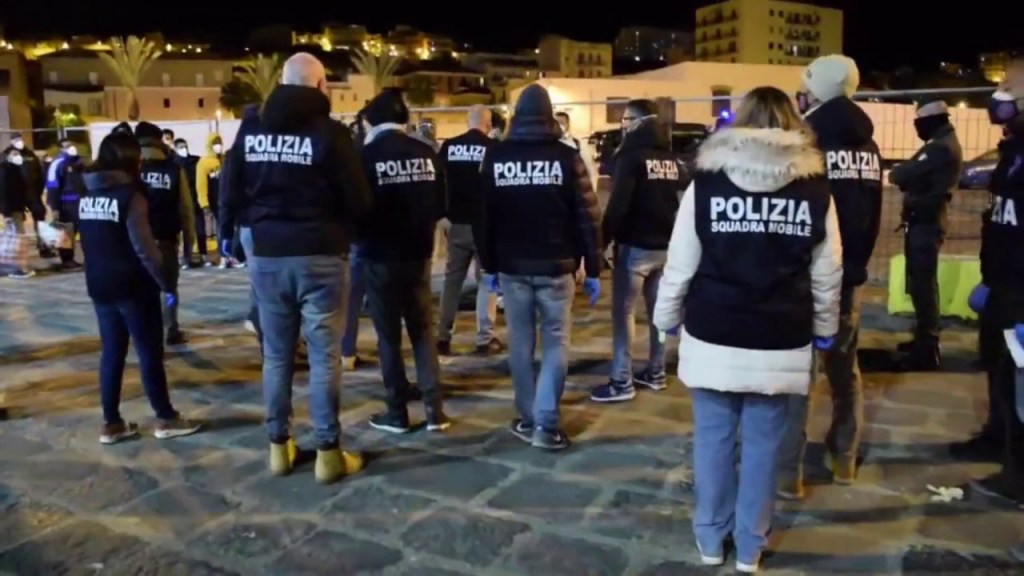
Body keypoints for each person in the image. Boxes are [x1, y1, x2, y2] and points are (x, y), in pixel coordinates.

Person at [652, 86, 842, 573]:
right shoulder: (815, 189)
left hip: (714, 327)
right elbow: (827, 270)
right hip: (781, 332)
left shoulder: (707, 184)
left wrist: (665, 317)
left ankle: (710, 538)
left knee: (712, 440)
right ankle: (751, 546)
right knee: (763, 446)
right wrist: (825, 326)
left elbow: (681, 261)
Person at [224, 52, 371, 483]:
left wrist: (235, 232)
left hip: (269, 252)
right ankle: (328, 452)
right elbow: (358, 200)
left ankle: (278, 446)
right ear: (321, 86)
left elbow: (231, 187)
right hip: (321, 253)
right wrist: (349, 232)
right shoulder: (331, 134)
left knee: (276, 356)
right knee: (324, 358)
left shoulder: (252, 129)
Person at [778, 54, 883, 498]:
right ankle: (844, 457)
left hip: (806, 277)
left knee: (797, 377)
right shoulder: (868, 145)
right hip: (850, 276)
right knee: (845, 371)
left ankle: (789, 472)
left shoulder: (807, 142)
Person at [477, 84, 603, 451]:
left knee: (520, 343)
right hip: (556, 266)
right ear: (549, 117)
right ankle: (546, 424)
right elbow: (588, 217)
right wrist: (593, 267)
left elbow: (483, 218)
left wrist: (489, 266)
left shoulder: (496, 157)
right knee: (556, 343)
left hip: (512, 267)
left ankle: (527, 416)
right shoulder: (567, 157)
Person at [78, 131, 201, 444]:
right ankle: (165, 417)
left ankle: (111, 423)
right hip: (134, 286)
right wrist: (165, 282)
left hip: (100, 285)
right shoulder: (130, 197)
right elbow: (144, 249)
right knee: (149, 353)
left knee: (112, 353)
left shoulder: (87, 194)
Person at [358, 89, 450, 434]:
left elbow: (356, 207)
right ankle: (435, 411)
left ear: (371, 121)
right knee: (423, 332)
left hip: (380, 255)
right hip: (419, 254)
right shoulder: (425, 153)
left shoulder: (366, 156)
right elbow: (441, 205)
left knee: (388, 337)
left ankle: (397, 412)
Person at [590, 99, 686, 403]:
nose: (623, 125)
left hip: (635, 247)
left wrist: (602, 242)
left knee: (624, 314)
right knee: (659, 314)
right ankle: (656, 371)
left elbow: (618, 205)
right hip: (666, 247)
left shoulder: (631, 158)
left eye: (627, 120)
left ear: (638, 122)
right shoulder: (670, 158)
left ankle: (621, 380)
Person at [954, 58, 1024, 463]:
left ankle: (1015, 459)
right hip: (1002, 282)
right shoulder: (1013, 150)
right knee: (998, 367)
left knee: (1016, 376)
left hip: (1019, 286)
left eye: (1009, 88)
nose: (998, 96)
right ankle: (999, 438)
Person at [888, 100, 963, 370]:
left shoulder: (939, 147)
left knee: (924, 285)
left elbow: (901, 174)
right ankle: (923, 339)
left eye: (919, 122)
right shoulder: (941, 142)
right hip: (924, 221)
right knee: (920, 283)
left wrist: (908, 179)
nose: (917, 128)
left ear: (931, 121)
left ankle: (927, 347)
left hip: (926, 222)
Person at [437, 104, 502, 357]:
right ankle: (485, 338)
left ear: (468, 121)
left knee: (452, 281)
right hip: (485, 225)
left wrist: (442, 215)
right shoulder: (494, 148)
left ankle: (443, 336)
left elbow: (438, 181)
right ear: (488, 124)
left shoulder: (449, 146)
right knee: (487, 279)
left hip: (456, 224)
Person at [134, 122, 196, 346]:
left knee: (140, 288)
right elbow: (186, 210)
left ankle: (143, 330)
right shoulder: (174, 169)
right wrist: (189, 246)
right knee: (168, 288)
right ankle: (171, 328)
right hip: (166, 240)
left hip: (136, 241)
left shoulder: (131, 169)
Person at [341, 109, 368, 370]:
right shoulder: (372, 152)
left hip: (351, 236)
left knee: (351, 297)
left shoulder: (347, 154)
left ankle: (346, 351)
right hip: (372, 236)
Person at [3, 133, 50, 258]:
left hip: (32, 192)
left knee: (40, 216)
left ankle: (44, 246)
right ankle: (17, 253)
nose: (19, 141)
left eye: (20, 138)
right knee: (17, 222)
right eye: (16, 139)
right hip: (16, 194)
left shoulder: (30, 154)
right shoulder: (5, 155)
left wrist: (38, 191)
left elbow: (39, 174)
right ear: (11, 141)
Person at [45, 138, 87, 270]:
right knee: (66, 232)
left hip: (82, 202)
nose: (71, 147)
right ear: (61, 149)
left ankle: (90, 258)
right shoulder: (58, 163)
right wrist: (54, 207)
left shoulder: (80, 162)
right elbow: (53, 186)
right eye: (67, 146)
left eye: (72, 145)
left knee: (85, 232)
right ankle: (67, 261)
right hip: (66, 205)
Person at [175, 137, 210, 268]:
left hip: (195, 200)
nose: (184, 149)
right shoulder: (174, 164)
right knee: (184, 232)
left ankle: (203, 255)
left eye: (185, 146)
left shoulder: (195, 161)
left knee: (200, 230)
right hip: (180, 202)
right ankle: (186, 258)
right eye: (180, 147)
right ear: (176, 149)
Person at [0, 146, 35, 278]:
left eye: (18, 153)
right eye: (14, 154)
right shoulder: (5, 170)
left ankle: (16, 267)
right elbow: (3, 192)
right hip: (12, 210)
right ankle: (17, 269)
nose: (18, 156)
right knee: (17, 239)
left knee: (16, 238)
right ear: (7, 156)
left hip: (16, 209)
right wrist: (7, 213)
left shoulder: (14, 169)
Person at [196, 133, 226, 266]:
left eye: (219, 142)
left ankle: (227, 255)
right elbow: (201, 185)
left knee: (226, 228)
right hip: (213, 201)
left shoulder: (224, 160)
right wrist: (204, 204)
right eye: (215, 143)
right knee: (216, 229)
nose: (218, 146)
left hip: (226, 200)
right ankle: (220, 256)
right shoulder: (203, 163)